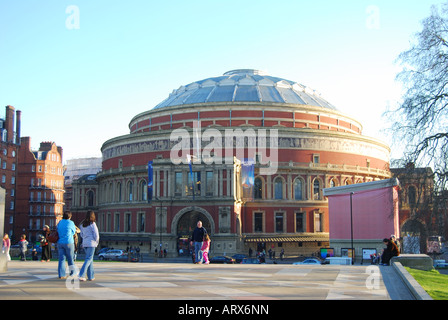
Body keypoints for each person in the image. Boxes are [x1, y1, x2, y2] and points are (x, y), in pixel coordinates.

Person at [78, 210, 100, 281]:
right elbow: (96, 235)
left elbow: (81, 234)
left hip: (85, 243)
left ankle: (91, 276)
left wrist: (84, 239)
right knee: (88, 259)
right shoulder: (92, 224)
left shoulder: (82, 224)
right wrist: (96, 242)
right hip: (91, 243)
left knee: (90, 259)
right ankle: (81, 275)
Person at [57, 211, 78, 279]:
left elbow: (57, 230)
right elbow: (73, 231)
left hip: (60, 242)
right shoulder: (71, 222)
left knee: (61, 259)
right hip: (69, 242)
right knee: (70, 259)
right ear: (69, 216)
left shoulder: (60, 222)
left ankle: (61, 274)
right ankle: (72, 273)